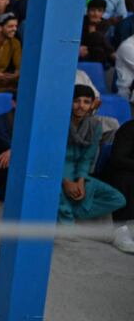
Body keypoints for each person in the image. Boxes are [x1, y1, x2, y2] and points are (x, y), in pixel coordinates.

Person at [58, 85, 125, 223]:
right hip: (56, 175)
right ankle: (66, 216)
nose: (80, 106)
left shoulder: (95, 126)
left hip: (79, 175)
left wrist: (81, 181)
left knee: (118, 199)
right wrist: (65, 182)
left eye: (86, 102)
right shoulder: (58, 123)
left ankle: (73, 212)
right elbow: (50, 158)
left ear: (92, 104)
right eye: (76, 101)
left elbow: (87, 157)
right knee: (58, 195)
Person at [103, 119, 134, 253]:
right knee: (127, 178)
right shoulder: (130, 128)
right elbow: (118, 158)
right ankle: (120, 230)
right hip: (124, 172)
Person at [80, 0, 115, 67]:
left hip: (97, 50)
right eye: (92, 10)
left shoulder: (105, 24)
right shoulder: (82, 21)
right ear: (87, 11)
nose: (96, 14)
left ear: (103, 13)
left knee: (99, 50)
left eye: (99, 11)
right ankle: (111, 52)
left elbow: (97, 41)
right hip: (82, 49)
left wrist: (92, 27)